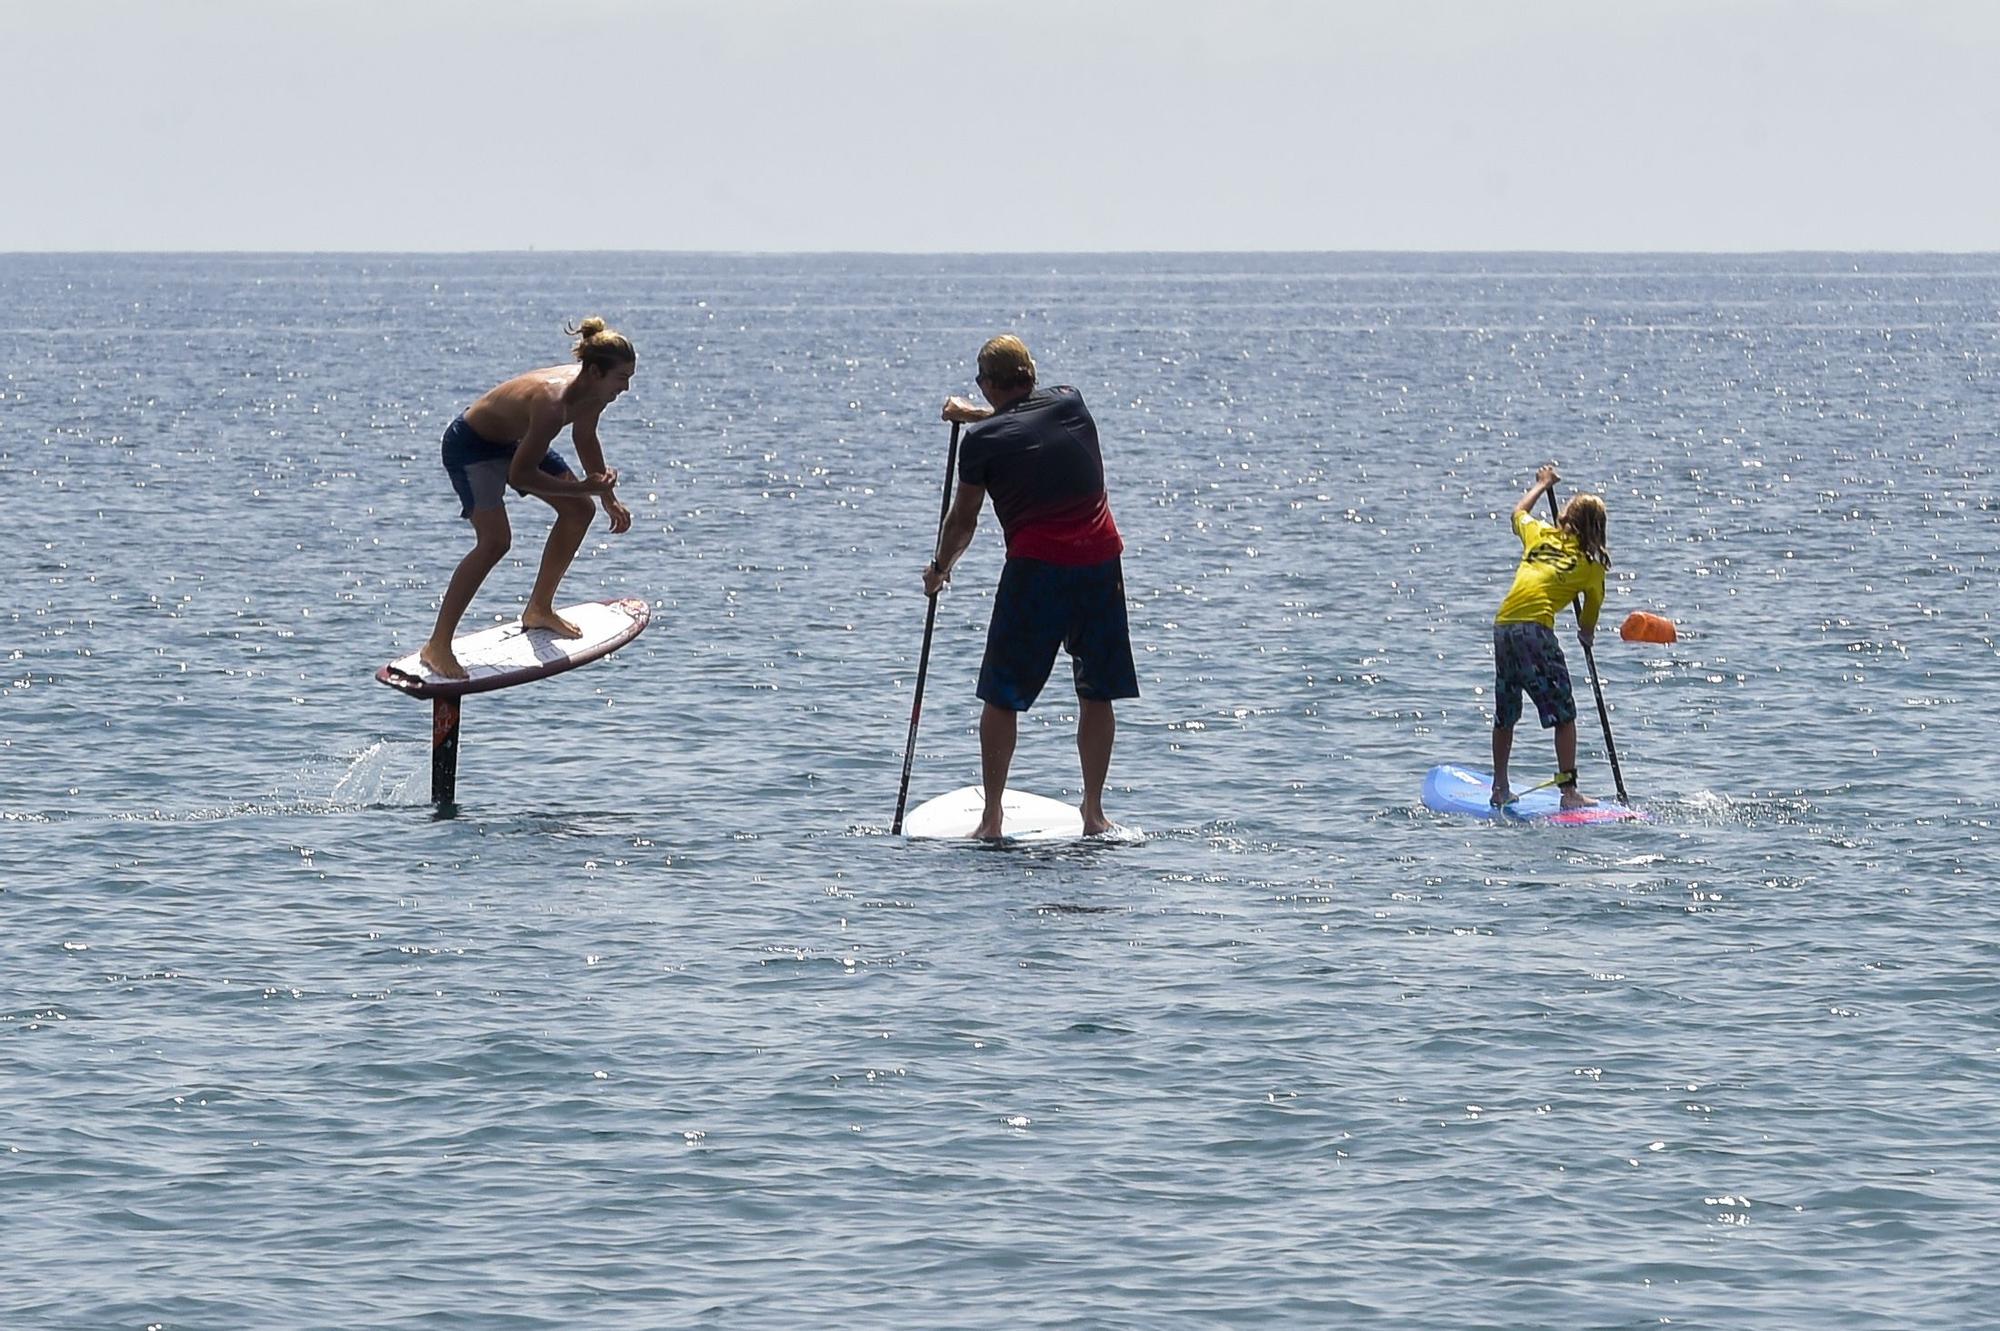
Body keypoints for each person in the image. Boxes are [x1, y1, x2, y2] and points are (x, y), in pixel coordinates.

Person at [923, 335, 1138, 838]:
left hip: (1037, 571)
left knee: (1001, 696)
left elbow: (963, 521)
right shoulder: (1071, 399)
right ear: (1032, 375)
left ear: (989, 384)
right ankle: (1093, 813)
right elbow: (1023, 417)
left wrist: (940, 569)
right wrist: (975, 412)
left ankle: (992, 816)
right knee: (1096, 691)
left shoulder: (981, 444)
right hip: (1101, 564)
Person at [419, 318, 636, 678]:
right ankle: (437, 645)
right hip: (471, 447)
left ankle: (539, 608)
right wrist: (586, 487)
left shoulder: (595, 392)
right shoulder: (553, 403)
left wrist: (606, 497)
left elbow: (585, 437)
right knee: (495, 542)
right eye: (622, 378)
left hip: (514, 442)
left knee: (580, 511)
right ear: (596, 372)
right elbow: (521, 474)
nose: (626, 388)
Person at [1490, 463, 1610, 809]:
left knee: (1506, 711)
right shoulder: (1591, 565)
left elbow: (1518, 512)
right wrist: (1586, 635)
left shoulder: (1539, 534)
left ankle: (1500, 787)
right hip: (1534, 630)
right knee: (1564, 715)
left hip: (1504, 625)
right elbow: (1591, 614)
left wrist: (1542, 485)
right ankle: (1569, 793)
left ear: (1567, 517)